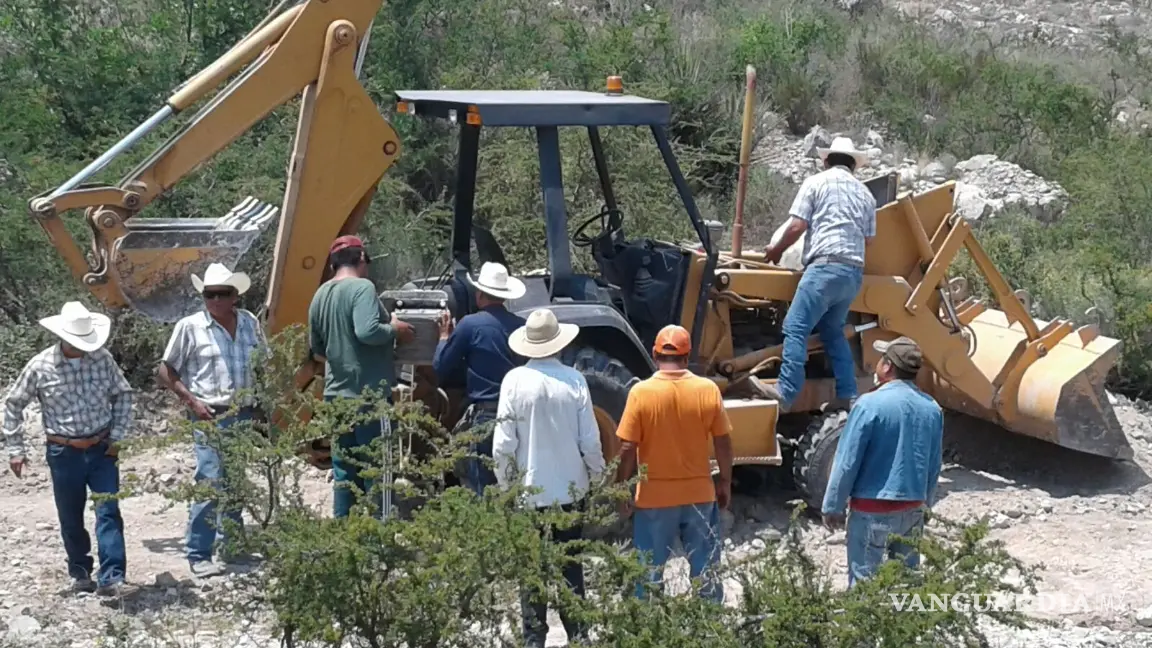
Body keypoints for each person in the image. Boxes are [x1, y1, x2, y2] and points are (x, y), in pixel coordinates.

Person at [2, 301, 133, 596]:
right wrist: (15, 449)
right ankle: (80, 573)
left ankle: (113, 578)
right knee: (70, 515)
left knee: (108, 511)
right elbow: (13, 405)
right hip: (64, 452)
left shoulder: (103, 359)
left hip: (102, 449)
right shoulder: (40, 366)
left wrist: (119, 437)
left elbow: (123, 394)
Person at [492, 308, 605, 648]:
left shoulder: (513, 382)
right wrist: (599, 476)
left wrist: (506, 487)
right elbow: (590, 441)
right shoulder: (574, 380)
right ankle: (580, 637)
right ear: (558, 343)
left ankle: (533, 640)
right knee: (571, 567)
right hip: (571, 492)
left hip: (528, 494)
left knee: (532, 573)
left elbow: (502, 446)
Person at [159, 263, 267, 578]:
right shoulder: (190, 327)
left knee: (235, 482)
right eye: (210, 294)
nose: (215, 300)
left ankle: (231, 548)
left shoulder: (249, 323)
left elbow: (262, 363)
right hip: (209, 414)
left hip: (242, 412)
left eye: (222, 294)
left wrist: (261, 405)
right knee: (209, 480)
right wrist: (192, 401)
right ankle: (198, 552)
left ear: (235, 296)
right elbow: (166, 371)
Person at [615, 325, 734, 602]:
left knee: (648, 574)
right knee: (706, 572)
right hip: (699, 496)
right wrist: (725, 480)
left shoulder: (641, 393)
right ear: (688, 355)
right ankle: (710, 629)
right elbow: (723, 442)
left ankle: (648, 629)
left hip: (654, 499)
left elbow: (627, 446)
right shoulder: (707, 390)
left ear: (655, 354)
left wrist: (622, 487)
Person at [760, 137, 877, 413]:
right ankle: (847, 393)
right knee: (832, 331)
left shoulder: (816, 183)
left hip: (824, 268)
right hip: (852, 275)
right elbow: (869, 240)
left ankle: (786, 391)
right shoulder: (866, 195)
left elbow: (798, 225)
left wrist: (776, 251)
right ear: (854, 166)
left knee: (795, 327)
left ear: (826, 161)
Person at [821, 336, 944, 587]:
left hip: (871, 510)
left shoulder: (869, 404)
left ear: (887, 366)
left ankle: (868, 626)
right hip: (912, 509)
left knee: (865, 586)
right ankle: (907, 624)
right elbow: (933, 463)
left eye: (881, 359)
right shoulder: (932, 408)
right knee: (907, 582)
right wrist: (926, 506)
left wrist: (833, 504)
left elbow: (847, 460)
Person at [308, 235, 415, 519]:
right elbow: (367, 331)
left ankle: (347, 538)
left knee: (345, 470)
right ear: (362, 258)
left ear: (332, 265)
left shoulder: (320, 295)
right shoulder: (362, 288)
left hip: (336, 398)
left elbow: (317, 349)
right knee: (379, 469)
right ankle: (379, 541)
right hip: (369, 397)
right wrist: (396, 330)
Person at [434, 261, 527, 495]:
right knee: (516, 482)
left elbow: (440, 368)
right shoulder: (522, 326)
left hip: (487, 415)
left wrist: (444, 338)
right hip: (520, 414)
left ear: (479, 295)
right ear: (504, 297)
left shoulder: (470, 325)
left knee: (482, 484)